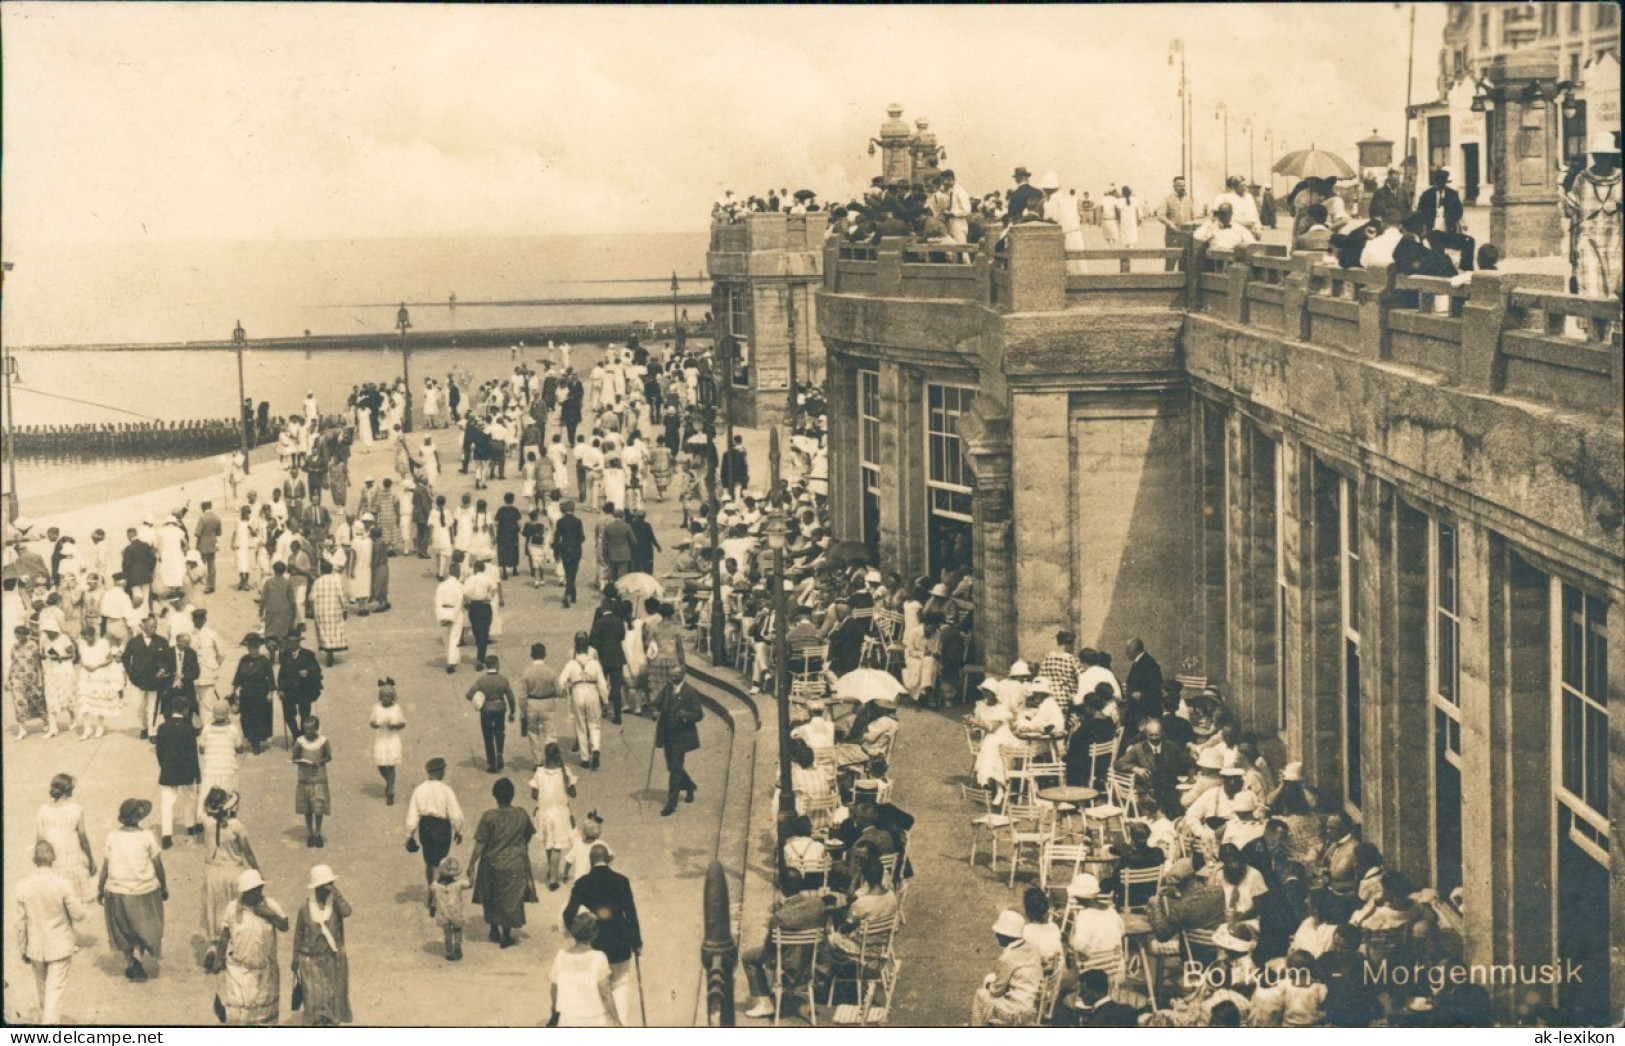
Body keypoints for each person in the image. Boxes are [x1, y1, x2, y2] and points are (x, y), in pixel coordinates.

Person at [562, 843, 643, 1024]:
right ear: (607, 860)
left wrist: (577, 934)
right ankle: (620, 1026)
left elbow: (568, 914)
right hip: (619, 943)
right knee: (620, 985)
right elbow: (630, 913)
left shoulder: (582, 883)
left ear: (591, 862)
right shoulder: (622, 881)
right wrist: (636, 941)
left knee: (598, 988)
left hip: (594, 943)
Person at [740, 867, 828, 1019]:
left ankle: (764, 1003)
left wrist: (782, 907)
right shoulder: (818, 904)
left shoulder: (779, 916)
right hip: (810, 960)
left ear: (782, 887)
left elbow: (770, 947)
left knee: (748, 957)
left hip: (788, 963)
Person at [17, 840, 89, 1024]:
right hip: (60, 945)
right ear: (54, 858)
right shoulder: (62, 884)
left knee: (43, 993)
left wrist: (22, 948)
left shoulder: (23, 886)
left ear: (34, 860)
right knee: (54, 992)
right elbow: (79, 915)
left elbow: (20, 923)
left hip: (35, 947)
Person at [98, 798, 167, 982]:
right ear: (139, 817)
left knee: (125, 930)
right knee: (144, 928)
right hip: (144, 890)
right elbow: (158, 864)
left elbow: (105, 867)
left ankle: (132, 961)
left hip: (117, 891)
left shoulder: (112, 836)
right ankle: (137, 957)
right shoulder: (147, 836)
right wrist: (164, 885)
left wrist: (99, 888)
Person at [468, 776, 537, 948]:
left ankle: (493, 929)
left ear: (495, 796)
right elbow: (528, 834)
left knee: (491, 896)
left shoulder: (488, 817)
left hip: (492, 862)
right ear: (512, 795)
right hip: (515, 863)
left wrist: (471, 864)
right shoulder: (521, 814)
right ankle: (506, 934)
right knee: (511, 899)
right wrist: (519, 848)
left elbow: (480, 844)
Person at [1561, 130, 1622, 301]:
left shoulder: (1621, 179)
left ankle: (1616, 329)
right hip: (1587, 241)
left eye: (1605, 155)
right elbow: (1574, 215)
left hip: (1616, 243)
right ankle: (1593, 328)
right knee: (1591, 290)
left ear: (1611, 156)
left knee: (1615, 292)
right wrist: (1572, 246)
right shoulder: (1582, 179)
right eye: (1597, 155)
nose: (1601, 159)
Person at [291, 864, 352, 1026]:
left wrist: (337, 893)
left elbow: (347, 911)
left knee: (331, 998)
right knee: (313, 999)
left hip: (331, 959)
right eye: (326, 886)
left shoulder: (335, 905)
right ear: (317, 887)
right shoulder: (305, 907)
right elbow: (299, 934)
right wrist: (295, 957)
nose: (328, 888)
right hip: (310, 961)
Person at [405, 757, 465, 910]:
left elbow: (412, 815)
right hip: (441, 827)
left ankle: (431, 891)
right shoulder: (446, 790)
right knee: (440, 862)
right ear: (440, 772)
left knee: (429, 861)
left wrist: (410, 835)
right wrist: (458, 830)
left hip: (425, 826)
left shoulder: (419, 789)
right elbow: (455, 814)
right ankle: (436, 897)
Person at [971, 909, 1043, 1027]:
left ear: (1005, 936)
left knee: (981, 994)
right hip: (1031, 1004)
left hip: (1016, 1011)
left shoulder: (1007, 957)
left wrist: (989, 985)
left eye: (998, 933)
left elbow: (996, 991)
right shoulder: (1032, 947)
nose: (996, 935)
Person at [549, 911, 622, 1028]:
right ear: (593, 934)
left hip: (568, 1019)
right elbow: (606, 993)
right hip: (595, 1019)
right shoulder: (599, 957)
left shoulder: (561, 956)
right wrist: (616, 1020)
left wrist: (554, 1012)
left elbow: (554, 989)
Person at [36, 775, 96, 904]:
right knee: (74, 903)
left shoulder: (43, 810)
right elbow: (83, 839)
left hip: (52, 863)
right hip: (72, 861)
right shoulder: (76, 810)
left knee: (54, 902)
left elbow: (40, 841)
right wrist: (91, 860)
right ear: (68, 789)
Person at [654, 667, 702, 817]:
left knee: (675, 770)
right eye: (671, 676)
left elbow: (699, 714)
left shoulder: (690, 692)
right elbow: (657, 703)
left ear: (682, 675)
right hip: (667, 734)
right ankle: (689, 785)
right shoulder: (668, 688)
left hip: (681, 736)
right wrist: (656, 709)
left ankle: (671, 804)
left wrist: (686, 715)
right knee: (672, 767)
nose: (673, 678)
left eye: (675, 676)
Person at [558, 631, 610, 769]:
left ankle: (585, 758)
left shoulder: (571, 663)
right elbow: (602, 684)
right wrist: (605, 700)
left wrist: (564, 690)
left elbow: (561, 681)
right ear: (587, 647)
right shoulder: (594, 663)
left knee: (580, 724)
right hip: (592, 691)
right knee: (594, 723)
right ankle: (596, 750)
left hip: (577, 692)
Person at [530, 741, 578, 890]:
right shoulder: (565, 772)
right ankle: (553, 878)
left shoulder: (539, 772)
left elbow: (534, 794)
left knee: (548, 843)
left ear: (546, 756)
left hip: (544, 812)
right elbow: (573, 793)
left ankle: (552, 871)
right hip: (560, 813)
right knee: (557, 845)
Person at [154, 706, 202, 848]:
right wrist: (197, 774)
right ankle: (190, 827)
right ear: (185, 710)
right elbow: (193, 754)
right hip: (186, 770)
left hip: (169, 769)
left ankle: (166, 835)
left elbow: (159, 751)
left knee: (167, 803)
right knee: (189, 799)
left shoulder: (162, 728)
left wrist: (164, 765)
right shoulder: (188, 729)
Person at [1416, 168, 1474, 272]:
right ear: (1434, 181)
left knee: (1469, 241)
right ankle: (1443, 269)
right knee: (1438, 249)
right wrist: (1425, 226)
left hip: (1448, 229)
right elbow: (1420, 212)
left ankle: (1466, 268)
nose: (1440, 183)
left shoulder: (1452, 194)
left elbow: (1459, 211)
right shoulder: (1427, 195)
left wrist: (1451, 219)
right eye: (1438, 180)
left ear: (1446, 181)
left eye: (1442, 180)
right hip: (1432, 230)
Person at [230, 633, 276, 754]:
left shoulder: (264, 661)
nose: (252, 650)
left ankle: (256, 743)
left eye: (255, 647)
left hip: (260, 693)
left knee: (258, 718)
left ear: (259, 647)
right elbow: (238, 676)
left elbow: (271, 678)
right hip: (246, 693)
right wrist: (233, 690)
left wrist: (270, 693)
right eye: (250, 648)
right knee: (245, 718)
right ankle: (250, 738)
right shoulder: (244, 660)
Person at [275, 627, 323, 741]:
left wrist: (308, 673)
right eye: (289, 642)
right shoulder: (285, 655)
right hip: (289, 690)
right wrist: (280, 689)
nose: (291, 644)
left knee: (304, 716)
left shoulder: (308, 654)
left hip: (304, 690)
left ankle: (302, 736)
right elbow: (281, 674)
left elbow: (317, 671)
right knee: (288, 715)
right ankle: (296, 735)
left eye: (294, 641)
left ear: (299, 642)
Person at [291, 716, 332, 848]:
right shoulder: (300, 741)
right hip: (305, 779)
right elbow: (294, 757)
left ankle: (318, 833)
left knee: (318, 808)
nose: (309, 731)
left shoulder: (323, 741)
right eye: (306, 728)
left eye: (312, 728)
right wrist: (301, 761)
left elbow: (328, 756)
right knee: (308, 808)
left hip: (319, 779)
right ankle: (310, 833)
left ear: (316, 728)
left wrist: (320, 761)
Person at [369, 679, 406, 804]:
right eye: (383, 696)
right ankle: (390, 782)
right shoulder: (376, 708)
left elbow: (402, 723)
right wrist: (376, 724)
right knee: (380, 765)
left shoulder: (396, 708)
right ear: (380, 696)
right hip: (381, 738)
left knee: (390, 765)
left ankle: (390, 791)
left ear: (392, 697)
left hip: (392, 739)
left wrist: (394, 726)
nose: (385, 698)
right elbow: (372, 722)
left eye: (388, 696)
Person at [308, 563, 347, 668]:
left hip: (321, 611)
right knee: (333, 631)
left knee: (324, 632)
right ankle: (331, 653)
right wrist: (344, 609)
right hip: (334, 610)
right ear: (331, 570)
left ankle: (328, 652)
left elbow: (311, 598)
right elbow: (341, 597)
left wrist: (312, 612)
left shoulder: (317, 582)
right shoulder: (336, 581)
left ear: (322, 570)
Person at [553, 500, 586, 608]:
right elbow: (581, 537)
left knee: (568, 572)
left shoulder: (560, 521)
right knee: (573, 572)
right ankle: (569, 594)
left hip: (564, 549)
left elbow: (557, 538)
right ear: (573, 509)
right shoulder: (578, 521)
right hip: (575, 550)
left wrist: (556, 553)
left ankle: (572, 594)